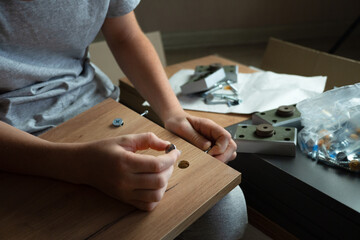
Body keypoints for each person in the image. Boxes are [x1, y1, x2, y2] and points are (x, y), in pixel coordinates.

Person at [0, 1, 247, 239]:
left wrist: (174, 114)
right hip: (15, 140)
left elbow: (125, 35)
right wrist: (78, 165)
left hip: (92, 104)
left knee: (226, 213)